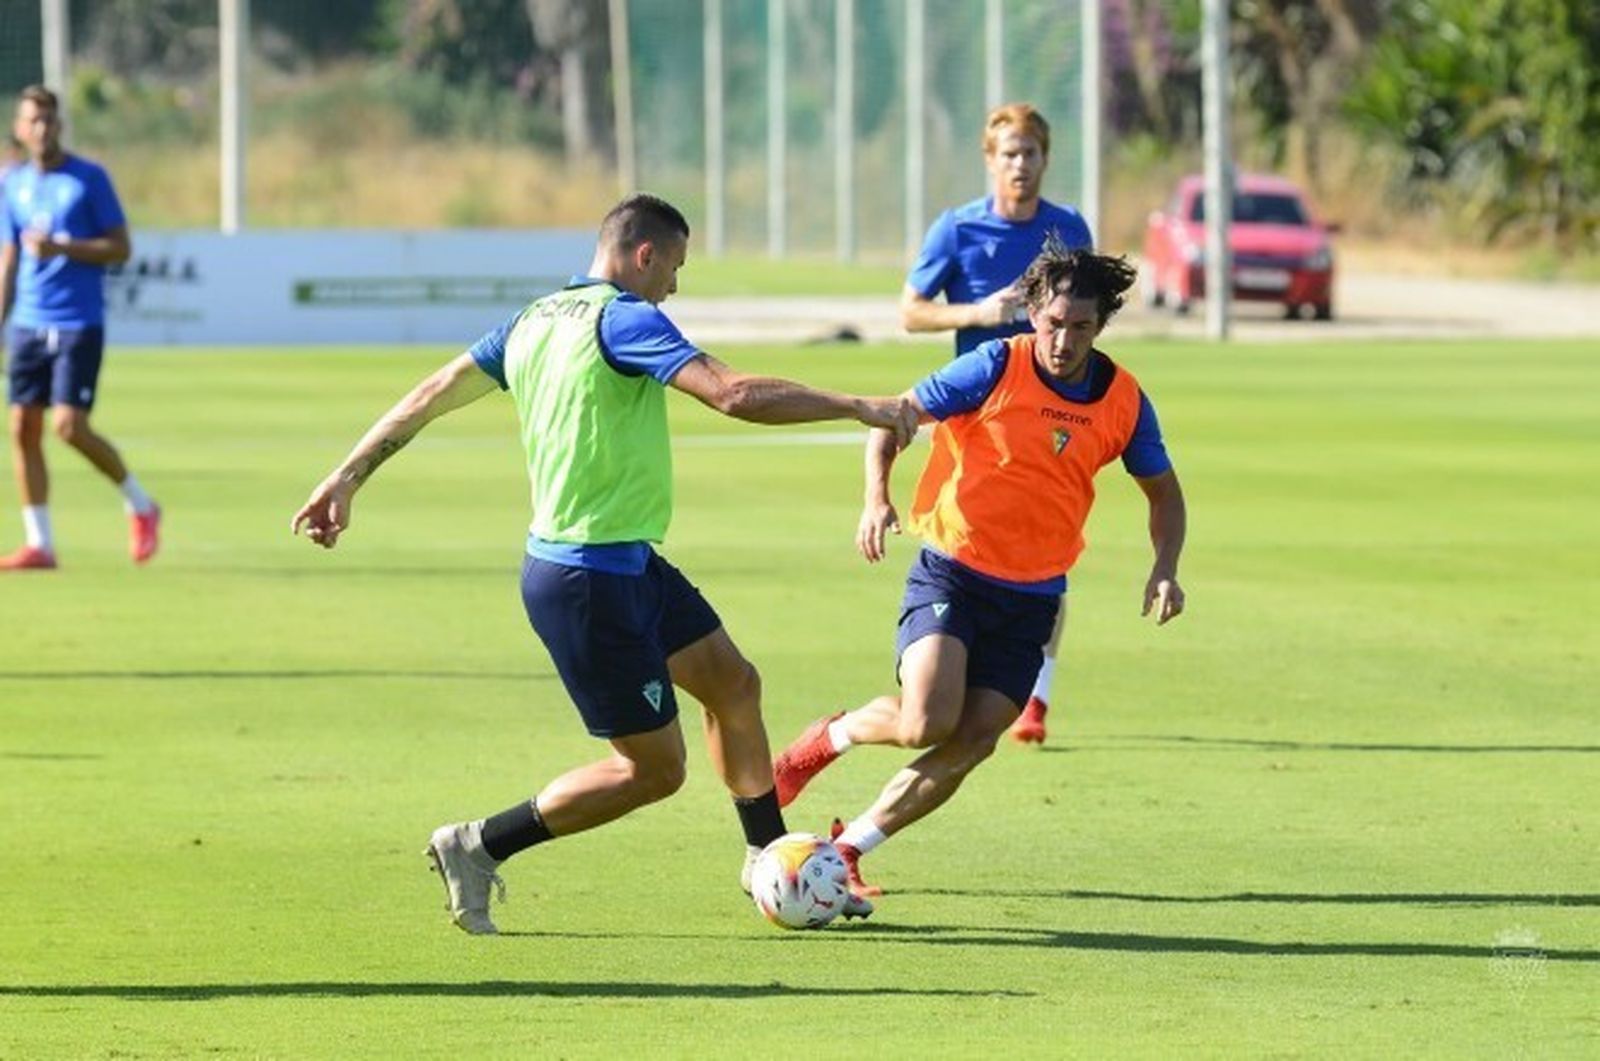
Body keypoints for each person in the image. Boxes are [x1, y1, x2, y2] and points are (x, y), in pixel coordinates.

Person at [291, 194, 917, 935]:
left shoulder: (532, 320)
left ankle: (767, 863)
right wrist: (859, 404)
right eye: (675, 268)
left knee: (734, 684)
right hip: (588, 582)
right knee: (654, 770)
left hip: (627, 565)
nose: (674, 289)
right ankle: (478, 843)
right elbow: (732, 392)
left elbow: (430, 396)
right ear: (644, 254)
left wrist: (348, 475)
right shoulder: (624, 318)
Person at [775, 244, 1187, 899]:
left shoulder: (1125, 401)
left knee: (974, 740)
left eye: (1080, 327)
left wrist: (1165, 568)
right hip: (953, 572)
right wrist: (876, 498)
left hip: (1032, 598)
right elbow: (894, 417)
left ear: (1100, 325)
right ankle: (829, 737)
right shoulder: (995, 364)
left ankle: (849, 846)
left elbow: (1163, 492)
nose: (1063, 339)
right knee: (923, 722)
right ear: (1031, 313)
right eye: (1053, 322)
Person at [901, 102, 1095, 746]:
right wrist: (982, 312)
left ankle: (1036, 694)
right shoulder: (957, 230)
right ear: (991, 159)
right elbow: (912, 311)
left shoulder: (1068, 228)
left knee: (1049, 548)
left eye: (1031, 153)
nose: (1021, 164)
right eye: (1009, 153)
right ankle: (945, 660)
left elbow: (1089, 311)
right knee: (969, 544)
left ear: (1045, 159)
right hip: (978, 418)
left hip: (1053, 415)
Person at [0, 85, 158, 571]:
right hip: (28, 323)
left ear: (59, 125)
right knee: (23, 429)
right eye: (33, 120)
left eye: (49, 119)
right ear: (20, 129)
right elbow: (9, 256)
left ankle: (141, 504)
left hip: (77, 322)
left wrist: (63, 248)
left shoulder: (88, 179)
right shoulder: (11, 184)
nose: (42, 128)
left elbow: (121, 248)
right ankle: (40, 544)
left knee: (69, 428)